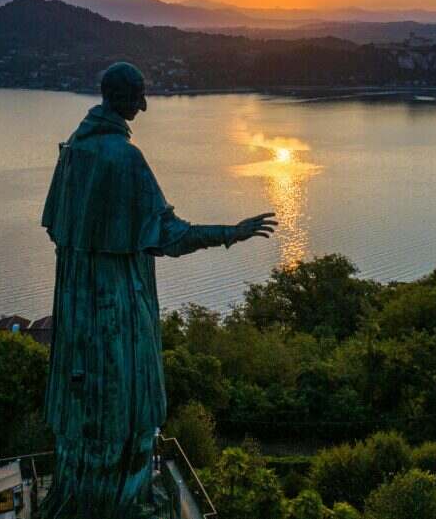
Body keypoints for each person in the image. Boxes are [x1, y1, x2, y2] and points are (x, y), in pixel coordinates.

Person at [40, 62, 275, 517]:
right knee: (125, 403)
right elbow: (170, 236)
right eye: (140, 95)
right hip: (116, 308)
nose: (144, 105)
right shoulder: (124, 159)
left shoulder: (72, 152)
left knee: (84, 403)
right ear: (125, 98)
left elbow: (55, 227)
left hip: (77, 307)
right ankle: (123, 503)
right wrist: (232, 231)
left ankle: (83, 497)